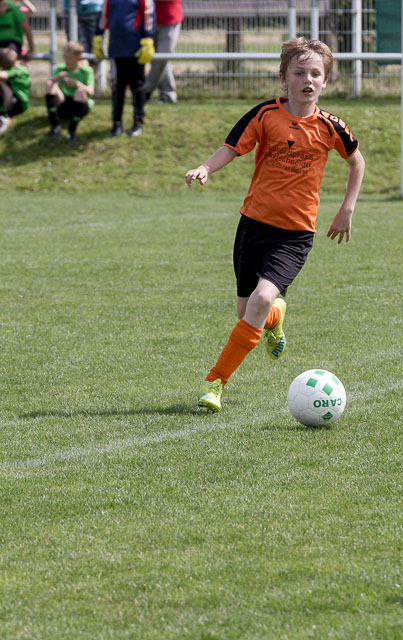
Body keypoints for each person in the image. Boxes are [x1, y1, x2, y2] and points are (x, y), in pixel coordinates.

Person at [184, 38, 365, 413]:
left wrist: (346, 209)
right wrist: (205, 167)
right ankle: (275, 318)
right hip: (253, 226)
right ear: (284, 78)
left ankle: (215, 382)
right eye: (299, 73)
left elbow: (356, 162)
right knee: (246, 312)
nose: (307, 80)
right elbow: (232, 147)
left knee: (261, 298)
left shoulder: (331, 126)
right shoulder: (265, 114)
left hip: (295, 234)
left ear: (325, 81)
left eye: (315, 74)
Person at [93, 0, 154, 136]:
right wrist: (98, 36)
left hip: (136, 49)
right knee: (118, 87)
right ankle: (117, 122)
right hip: (116, 48)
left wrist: (148, 39)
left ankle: (138, 121)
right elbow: (103, 16)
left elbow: (148, 15)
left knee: (137, 86)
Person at [45, 40, 95, 144]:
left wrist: (78, 84)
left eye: (69, 58)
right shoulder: (61, 69)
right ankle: (55, 125)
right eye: (64, 57)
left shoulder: (87, 71)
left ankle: (71, 132)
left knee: (80, 92)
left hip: (80, 109)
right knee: (50, 84)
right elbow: (48, 82)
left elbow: (91, 91)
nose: (66, 60)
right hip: (63, 104)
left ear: (78, 58)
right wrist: (57, 77)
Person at [142, 0, 180, 104]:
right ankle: (168, 95)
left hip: (169, 18)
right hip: (150, 19)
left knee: (161, 60)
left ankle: (146, 92)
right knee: (160, 61)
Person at [0, 46, 28, 133]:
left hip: (19, 103)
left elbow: (5, 75)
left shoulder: (20, 70)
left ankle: (4, 118)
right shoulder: (12, 66)